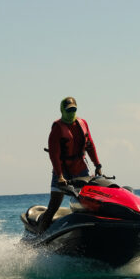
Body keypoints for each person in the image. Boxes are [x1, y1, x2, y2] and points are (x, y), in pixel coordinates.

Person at [37, 96, 103, 233]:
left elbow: (90, 145)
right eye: (68, 110)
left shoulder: (82, 123)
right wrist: (60, 176)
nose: (71, 112)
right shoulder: (57, 127)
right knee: (54, 205)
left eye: (74, 109)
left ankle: (91, 231)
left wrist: (98, 165)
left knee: (89, 203)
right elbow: (54, 155)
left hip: (81, 169)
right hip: (62, 170)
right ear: (62, 110)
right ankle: (39, 238)